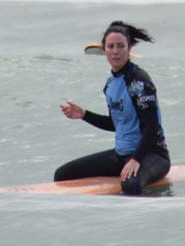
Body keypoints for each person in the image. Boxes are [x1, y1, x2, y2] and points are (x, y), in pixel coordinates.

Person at [55, 21, 170, 195]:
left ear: (129, 48)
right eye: (111, 47)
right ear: (104, 50)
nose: (115, 51)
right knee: (63, 175)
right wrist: (84, 115)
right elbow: (115, 124)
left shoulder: (139, 81)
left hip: (151, 155)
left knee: (130, 185)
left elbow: (152, 127)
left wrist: (135, 160)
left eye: (120, 46)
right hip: (121, 155)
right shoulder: (110, 85)